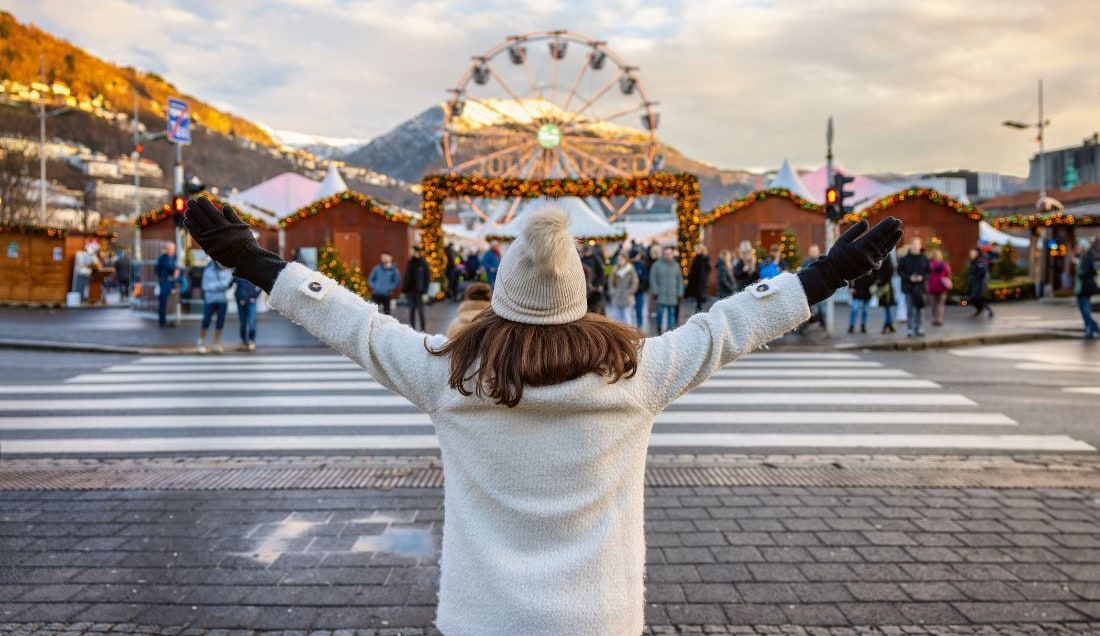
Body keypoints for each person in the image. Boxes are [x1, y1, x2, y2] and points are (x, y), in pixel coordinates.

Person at [185, 196, 901, 636]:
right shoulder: (639, 372)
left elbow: (356, 326)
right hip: (600, 619)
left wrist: (254, 261)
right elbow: (729, 327)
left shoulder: (449, 373)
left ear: (501, 294)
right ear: (579, 296)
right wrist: (827, 274)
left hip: (480, 619)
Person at [196, 260, 234, 354]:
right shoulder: (208, 270)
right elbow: (205, 286)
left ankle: (216, 343)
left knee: (220, 322)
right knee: (206, 321)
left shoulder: (227, 271)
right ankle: (200, 342)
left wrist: (213, 285)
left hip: (222, 300)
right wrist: (219, 286)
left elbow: (226, 284)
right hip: (210, 300)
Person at [897, 238, 930, 337]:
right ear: (911, 245)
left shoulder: (924, 258)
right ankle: (910, 329)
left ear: (920, 246)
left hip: (920, 288)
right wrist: (909, 278)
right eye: (914, 244)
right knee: (910, 310)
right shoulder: (904, 259)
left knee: (920, 309)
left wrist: (922, 277)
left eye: (917, 244)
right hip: (909, 288)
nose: (916, 246)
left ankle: (919, 328)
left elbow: (928, 272)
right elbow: (900, 271)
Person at [649, 246, 684, 335]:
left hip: (672, 294)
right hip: (661, 294)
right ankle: (659, 329)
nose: (667, 256)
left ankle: (669, 332)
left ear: (672, 254)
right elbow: (653, 278)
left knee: (671, 314)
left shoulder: (676, 265)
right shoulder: (657, 265)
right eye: (665, 254)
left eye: (669, 254)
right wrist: (655, 291)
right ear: (663, 254)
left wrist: (680, 293)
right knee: (660, 313)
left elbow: (680, 280)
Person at [1073, 238, 1098, 340]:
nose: (1078, 249)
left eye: (1080, 247)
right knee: (1084, 310)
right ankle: (1094, 329)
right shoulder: (1082, 258)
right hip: (1081, 288)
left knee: (1085, 311)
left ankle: (1090, 329)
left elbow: (1084, 273)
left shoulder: (1087, 258)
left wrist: (1079, 271)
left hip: (1085, 289)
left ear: (1084, 248)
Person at [606, 252, 640, 326]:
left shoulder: (630, 269)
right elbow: (610, 282)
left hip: (627, 297)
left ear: (625, 260)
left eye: (621, 259)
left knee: (627, 318)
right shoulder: (615, 269)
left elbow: (635, 282)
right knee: (616, 319)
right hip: (617, 296)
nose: (620, 261)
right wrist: (613, 291)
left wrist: (629, 292)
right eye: (618, 259)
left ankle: (628, 332)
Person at [403, 245, 431, 331]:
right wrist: (404, 289)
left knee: (420, 311)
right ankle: (412, 330)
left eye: (411, 251)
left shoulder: (424, 263)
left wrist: (425, 291)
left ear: (417, 252)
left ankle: (423, 330)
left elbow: (427, 278)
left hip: (420, 292)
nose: (410, 252)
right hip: (410, 291)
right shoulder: (410, 262)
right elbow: (406, 276)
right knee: (411, 311)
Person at [154, 242, 180, 327]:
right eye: (170, 249)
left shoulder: (175, 257)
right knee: (163, 302)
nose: (171, 251)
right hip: (164, 282)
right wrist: (174, 270)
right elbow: (162, 268)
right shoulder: (162, 258)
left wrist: (177, 270)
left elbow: (178, 268)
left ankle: (172, 320)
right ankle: (162, 321)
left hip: (172, 283)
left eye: (172, 249)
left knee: (173, 302)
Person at [235, 275, 262, 351]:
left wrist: (255, 296)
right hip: (241, 301)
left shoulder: (253, 273)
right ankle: (244, 341)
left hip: (251, 300)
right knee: (243, 322)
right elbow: (234, 285)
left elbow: (260, 286)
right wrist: (238, 297)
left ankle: (251, 341)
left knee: (251, 322)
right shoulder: (239, 274)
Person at [966, 247, 994, 319]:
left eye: (972, 253)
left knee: (976, 298)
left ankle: (986, 310)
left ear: (977, 253)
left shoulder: (980, 261)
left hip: (979, 283)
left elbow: (982, 271)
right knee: (974, 298)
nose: (971, 254)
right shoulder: (974, 261)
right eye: (970, 253)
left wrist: (975, 277)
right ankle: (981, 309)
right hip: (975, 282)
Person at [927, 248, 952, 326]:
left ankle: (934, 318)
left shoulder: (929, 264)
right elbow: (948, 273)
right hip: (942, 287)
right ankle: (940, 319)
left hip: (932, 287)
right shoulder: (944, 264)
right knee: (940, 304)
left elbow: (926, 274)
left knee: (933, 304)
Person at [874, 254, 897, 334]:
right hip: (883, 287)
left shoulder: (887, 260)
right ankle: (889, 324)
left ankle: (887, 324)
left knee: (887, 306)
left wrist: (880, 280)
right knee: (886, 307)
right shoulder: (879, 260)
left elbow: (888, 273)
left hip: (886, 289)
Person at [685, 243, 711, 313]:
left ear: (701, 249)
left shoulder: (705, 259)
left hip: (701, 284)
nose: (695, 251)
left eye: (696, 249)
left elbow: (704, 273)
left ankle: (699, 315)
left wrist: (702, 285)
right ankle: (698, 313)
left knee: (700, 304)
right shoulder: (696, 258)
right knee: (697, 303)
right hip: (696, 283)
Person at [631, 251, 649, 328]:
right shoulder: (630, 266)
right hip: (630, 293)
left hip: (639, 292)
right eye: (637, 255)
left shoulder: (641, 265)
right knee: (630, 311)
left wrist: (640, 277)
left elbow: (646, 277)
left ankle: (639, 326)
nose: (639, 257)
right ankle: (631, 325)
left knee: (639, 310)